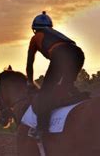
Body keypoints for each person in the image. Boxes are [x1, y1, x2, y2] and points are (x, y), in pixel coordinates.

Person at [25, 11, 85, 139]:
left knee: (45, 94)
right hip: (78, 54)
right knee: (67, 87)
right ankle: (83, 103)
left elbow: (30, 63)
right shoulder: (56, 35)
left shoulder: (35, 38)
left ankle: (41, 129)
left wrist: (30, 81)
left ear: (34, 29)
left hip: (60, 55)